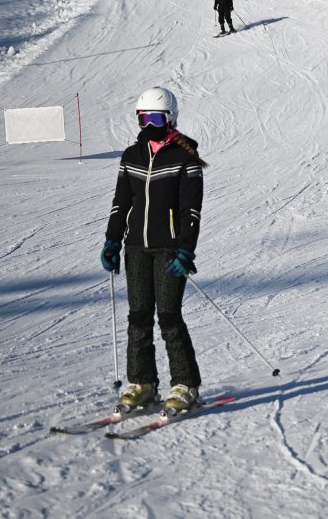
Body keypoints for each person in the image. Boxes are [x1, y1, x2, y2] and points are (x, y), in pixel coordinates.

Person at [101, 87, 206, 414]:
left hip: (170, 250)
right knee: (138, 316)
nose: (149, 124)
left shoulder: (184, 159)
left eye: (156, 118)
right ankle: (142, 383)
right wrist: (112, 241)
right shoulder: (131, 156)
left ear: (170, 118)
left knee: (170, 316)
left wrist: (186, 250)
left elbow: (191, 210)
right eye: (143, 118)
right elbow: (121, 203)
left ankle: (185, 384)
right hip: (137, 249)